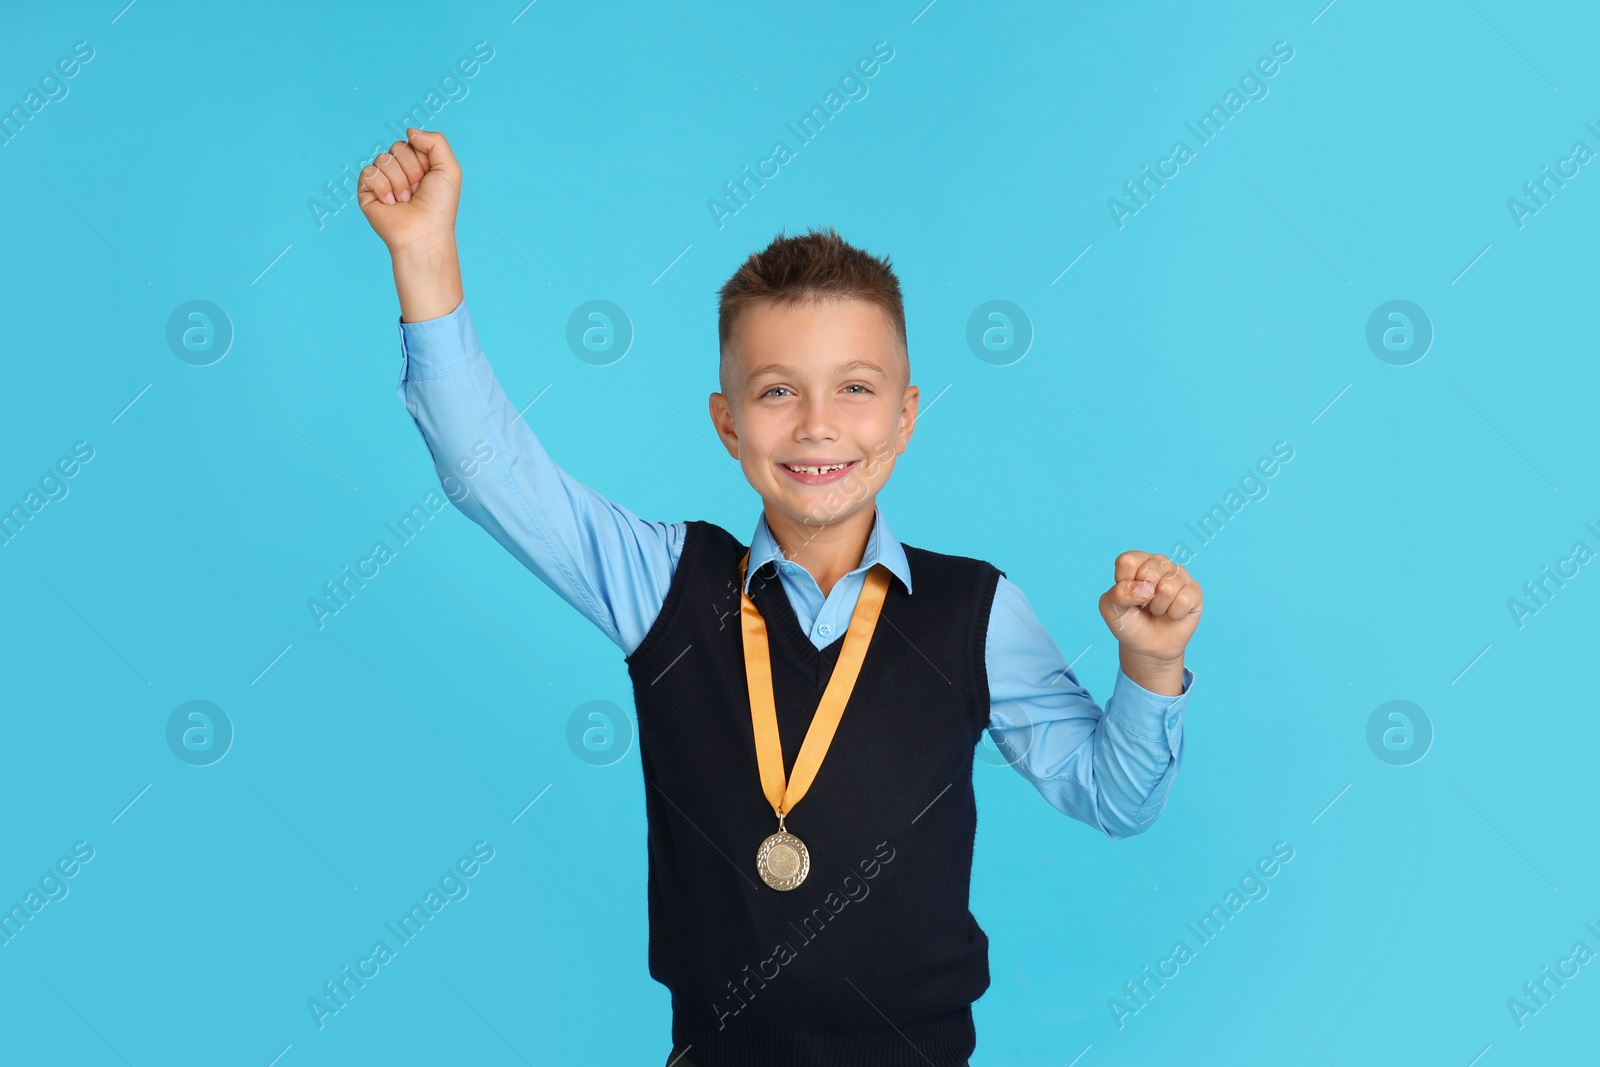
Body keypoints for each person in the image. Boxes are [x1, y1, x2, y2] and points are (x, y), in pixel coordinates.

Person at [360, 128, 1203, 1067]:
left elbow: (1116, 799)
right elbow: (490, 473)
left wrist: (1150, 664)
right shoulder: (665, 587)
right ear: (726, 422)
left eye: (855, 387)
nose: (817, 425)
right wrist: (424, 254)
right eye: (775, 391)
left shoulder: (974, 610)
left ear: (905, 415)